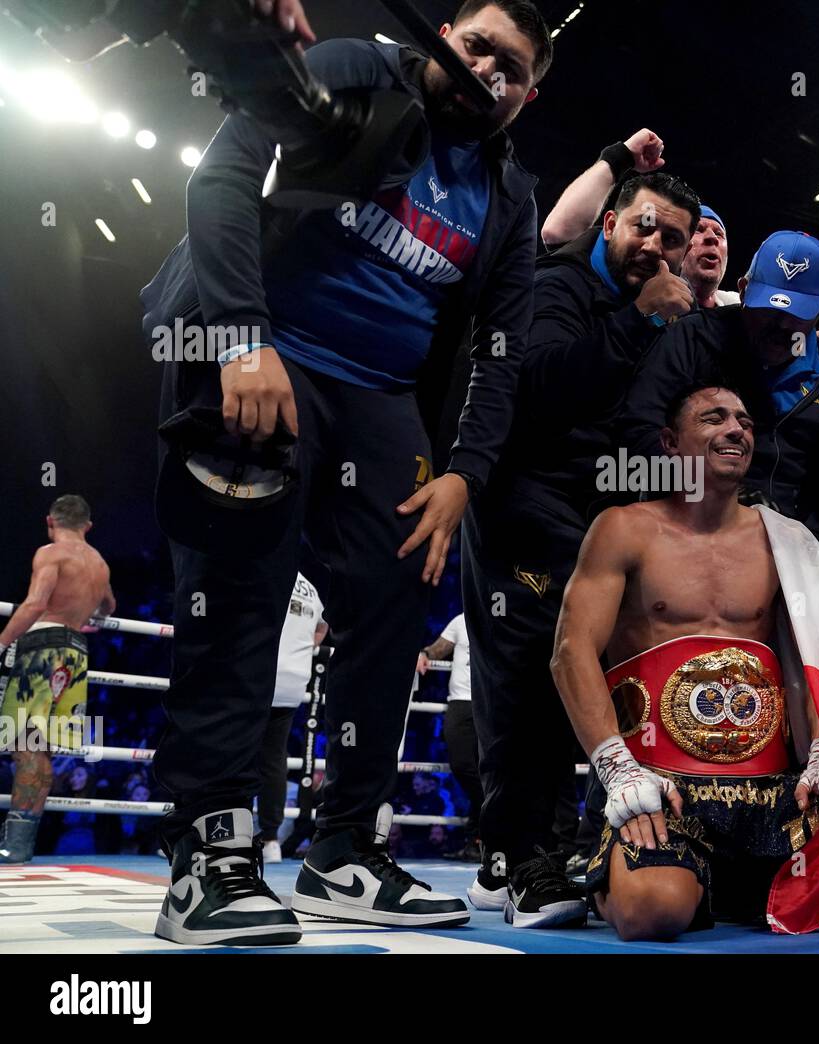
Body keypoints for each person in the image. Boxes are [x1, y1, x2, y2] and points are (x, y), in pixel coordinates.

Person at [140, 0, 554, 946]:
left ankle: (345, 850)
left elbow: (500, 347)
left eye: (515, 69)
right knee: (238, 596)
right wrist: (241, 336)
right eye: (480, 45)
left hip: (383, 399)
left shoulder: (510, 191)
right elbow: (224, 176)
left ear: (528, 96)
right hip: (265, 350)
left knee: (393, 601)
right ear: (446, 32)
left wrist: (464, 475)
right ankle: (207, 858)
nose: (491, 71)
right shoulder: (358, 69)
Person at [550, 383, 819, 940]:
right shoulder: (625, 527)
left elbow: (807, 668)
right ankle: (613, 872)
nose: (737, 429)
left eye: (746, 422)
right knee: (653, 914)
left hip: (772, 791)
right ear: (669, 441)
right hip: (660, 785)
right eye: (714, 418)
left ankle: (726, 882)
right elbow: (570, 653)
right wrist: (617, 768)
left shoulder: (786, 543)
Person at [462, 170, 699, 927]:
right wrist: (636, 320)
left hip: (598, 519)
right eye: (644, 226)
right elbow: (532, 390)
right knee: (528, 684)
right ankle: (518, 861)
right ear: (608, 224)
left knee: (580, 689)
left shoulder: (667, 311)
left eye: (672, 236)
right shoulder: (555, 286)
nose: (654, 245)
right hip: (521, 509)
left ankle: (541, 853)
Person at [623, 230, 819, 539]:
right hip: (688, 529)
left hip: (800, 548)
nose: (780, 326)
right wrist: (717, 494)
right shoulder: (693, 339)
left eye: (796, 315)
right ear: (743, 290)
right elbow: (637, 432)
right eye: (768, 310)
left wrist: (816, 547)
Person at [0, 495, 113, 864]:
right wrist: (81, 614)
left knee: (25, 744)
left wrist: (2, 641)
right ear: (88, 526)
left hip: (41, 648)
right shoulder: (99, 563)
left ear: (50, 521)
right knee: (41, 748)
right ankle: (20, 843)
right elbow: (108, 606)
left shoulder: (50, 552)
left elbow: (34, 603)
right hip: (76, 653)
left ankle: (15, 846)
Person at [540, 128, 739, 306]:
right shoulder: (571, 282)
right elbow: (558, 233)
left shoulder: (735, 309)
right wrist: (618, 157)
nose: (653, 246)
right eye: (700, 229)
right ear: (611, 227)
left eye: (719, 233)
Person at [257, 573, 327, 863]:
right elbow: (323, 625)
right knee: (273, 758)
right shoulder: (309, 588)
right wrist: (302, 650)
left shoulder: (268, 571)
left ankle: (218, 834)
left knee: (230, 750)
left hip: (260, 673)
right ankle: (270, 840)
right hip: (294, 679)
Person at [417, 612, 482, 860]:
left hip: (493, 700)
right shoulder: (461, 620)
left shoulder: (505, 615)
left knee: (490, 770)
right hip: (461, 703)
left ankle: (477, 839)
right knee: (462, 765)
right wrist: (425, 654)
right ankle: (490, 817)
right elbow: (439, 648)